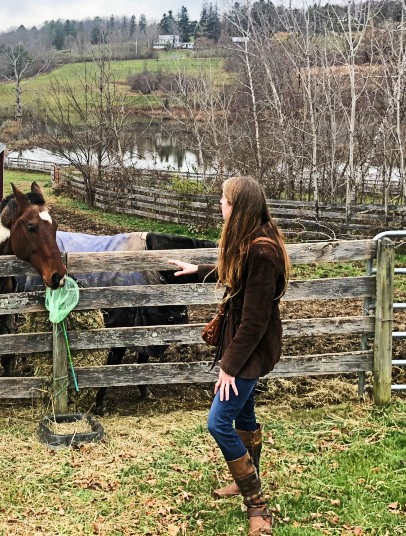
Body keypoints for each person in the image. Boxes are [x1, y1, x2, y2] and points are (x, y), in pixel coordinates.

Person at [168, 176, 290, 536]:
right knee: (244, 415)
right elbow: (239, 277)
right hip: (244, 346)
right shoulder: (252, 240)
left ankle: (258, 506)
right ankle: (246, 479)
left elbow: (254, 321)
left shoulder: (262, 252)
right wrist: (199, 270)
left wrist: (229, 368)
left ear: (238, 207)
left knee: (218, 422)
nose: (219, 205)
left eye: (223, 200)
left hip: (250, 350)